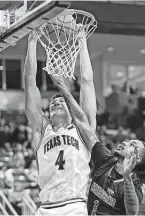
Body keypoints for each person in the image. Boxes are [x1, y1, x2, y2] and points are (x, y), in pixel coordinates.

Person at [24, 31, 97, 215]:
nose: (55, 102)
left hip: (75, 206)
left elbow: (87, 82)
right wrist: (32, 41)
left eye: (61, 101)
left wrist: (82, 43)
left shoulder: (82, 130)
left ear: (72, 111)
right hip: (46, 207)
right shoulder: (42, 130)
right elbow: (30, 83)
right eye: (53, 102)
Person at [87, 140, 145, 215]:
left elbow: (132, 213)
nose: (124, 142)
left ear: (138, 159)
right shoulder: (106, 161)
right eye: (128, 142)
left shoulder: (134, 188)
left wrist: (126, 176)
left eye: (132, 145)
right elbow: (89, 135)